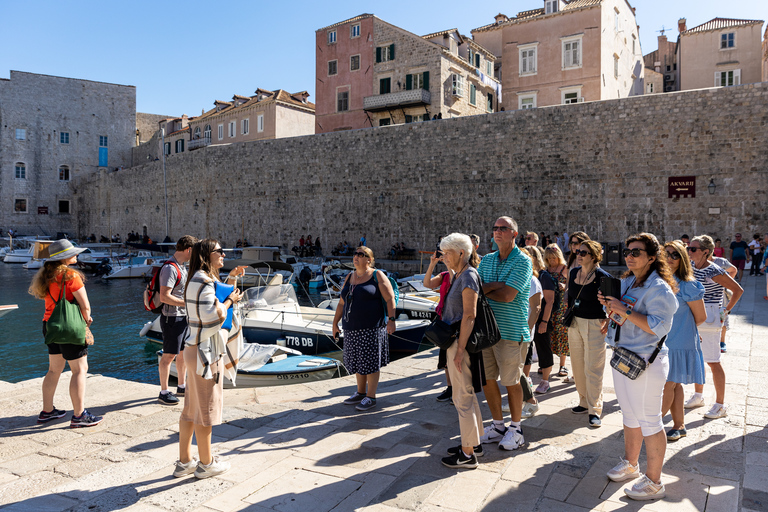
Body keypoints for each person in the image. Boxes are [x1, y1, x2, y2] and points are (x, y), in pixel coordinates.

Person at [601, 233, 678, 501]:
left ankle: (655, 482)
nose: (629, 256)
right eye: (628, 251)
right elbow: (621, 313)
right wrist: (610, 308)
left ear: (652, 258)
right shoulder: (628, 281)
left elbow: (656, 327)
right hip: (623, 355)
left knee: (650, 420)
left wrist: (623, 309)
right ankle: (631, 464)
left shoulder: (660, 289)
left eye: (636, 252)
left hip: (646, 361)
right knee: (629, 415)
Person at [175, 239, 245, 479]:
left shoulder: (196, 278)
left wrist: (232, 279)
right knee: (205, 410)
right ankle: (206, 463)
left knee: (190, 409)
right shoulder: (203, 281)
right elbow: (210, 314)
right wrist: (229, 302)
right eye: (219, 251)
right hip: (207, 351)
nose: (224, 254)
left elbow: (221, 290)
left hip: (193, 347)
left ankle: (185, 462)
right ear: (207, 254)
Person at [28, 239, 103, 428]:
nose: (76, 254)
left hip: (50, 324)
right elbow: (85, 305)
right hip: (70, 327)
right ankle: (79, 416)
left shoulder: (47, 274)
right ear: (64, 257)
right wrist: (87, 320)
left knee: (54, 369)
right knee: (79, 370)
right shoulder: (71, 276)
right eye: (73, 252)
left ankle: (47, 411)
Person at [477, 216, 532, 451]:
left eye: (503, 228)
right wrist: (496, 285)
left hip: (511, 332)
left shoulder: (523, 261)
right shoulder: (487, 260)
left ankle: (516, 428)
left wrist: (488, 288)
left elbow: (509, 295)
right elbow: (475, 287)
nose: (497, 232)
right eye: (495, 228)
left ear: (514, 234)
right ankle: (498, 425)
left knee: (511, 381)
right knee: (488, 380)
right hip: (486, 331)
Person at [436, 234, 485, 469]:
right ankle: (473, 444)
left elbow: (469, 315)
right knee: (466, 394)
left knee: (462, 397)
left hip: (459, 343)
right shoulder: (461, 275)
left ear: (461, 253)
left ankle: (467, 455)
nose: (444, 257)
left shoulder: (468, 276)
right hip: (457, 341)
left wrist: (459, 351)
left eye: (447, 253)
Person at [684, 235, 743, 419]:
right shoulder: (693, 267)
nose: (689, 251)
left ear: (705, 252)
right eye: (689, 248)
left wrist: (725, 311)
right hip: (695, 317)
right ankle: (698, 395)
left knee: (713, 361)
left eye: (693, 249)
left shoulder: (714, 270)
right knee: (697, 358)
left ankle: (720, 405)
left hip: (710, 318)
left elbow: (738, 290)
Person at [332, 246, 396, 412]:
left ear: (369, 259)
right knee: (357, 362)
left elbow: (390, 299)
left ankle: (371, 397)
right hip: (351, 328)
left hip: (372, 328)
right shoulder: (349, 277)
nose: (357, 257)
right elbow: (341, 303)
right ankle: (360, 393)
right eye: (355, 254)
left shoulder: (377, 275)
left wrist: (392, 320)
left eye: (362, 254)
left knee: (370, 363)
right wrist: (335, 324)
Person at [660, 241, 706, 442]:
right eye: (666, 254)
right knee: (674, 385)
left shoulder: (688, 285)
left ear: (682, 259)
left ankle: (650, 425)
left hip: (680, 341)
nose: (669, 258)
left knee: (667, 385)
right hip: (663, 340)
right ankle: (679, 425)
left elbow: (701, 316)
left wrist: (686, 329)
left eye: (674, 255)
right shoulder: (660, 281)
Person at [567, 239, 611, 428]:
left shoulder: (603, 277)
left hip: (595, 324)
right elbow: (569, 296)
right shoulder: (574, 272)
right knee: (577, 366)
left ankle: (595, 409)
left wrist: (609, 319)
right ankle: (583, 401)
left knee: (593, 367)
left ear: (593, 257)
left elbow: (611, 303)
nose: (578, 254)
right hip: (575, 323)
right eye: (578, 251)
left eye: (583, 252)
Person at [157, 236, 198, 406]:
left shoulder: (182, 267)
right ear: (188, 250)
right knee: (169, 355)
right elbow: (164, 296)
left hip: (182, 317)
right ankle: (164, 392)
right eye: (194, 252)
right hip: (171, 318)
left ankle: (181, 386)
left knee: (182, 355)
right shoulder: (170, 268)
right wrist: (188, 303)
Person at [521, 246, 555, 394]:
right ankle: (526, 379)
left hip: (541, 319)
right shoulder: (522, 275)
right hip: (529, 320)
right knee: (528, 354)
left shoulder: (543, 276)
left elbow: (549, 301)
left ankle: (545, 381)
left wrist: (544, 322)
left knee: (543, 350)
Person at [424, 251, 454, 403]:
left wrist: (449, 264)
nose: (445, 257)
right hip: (443, 320)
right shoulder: (444, 275)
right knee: (445, 358)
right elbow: (427, 284)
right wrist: (432, 263)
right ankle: (450, 388)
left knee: (456, 357)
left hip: (456, 321)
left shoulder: (461, 274)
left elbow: (456, 278)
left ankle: (459, 389)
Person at [544, 244, 570, 380]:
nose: (552, 260)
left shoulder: (565, 269)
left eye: (554, 258)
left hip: (560, 306)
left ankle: (562, 365)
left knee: (562, 334)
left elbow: (571, 287)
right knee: (548, 333)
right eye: (549, 258)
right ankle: (547, 364)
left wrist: (564, 286)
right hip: (549, 305)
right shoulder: (546, 269)